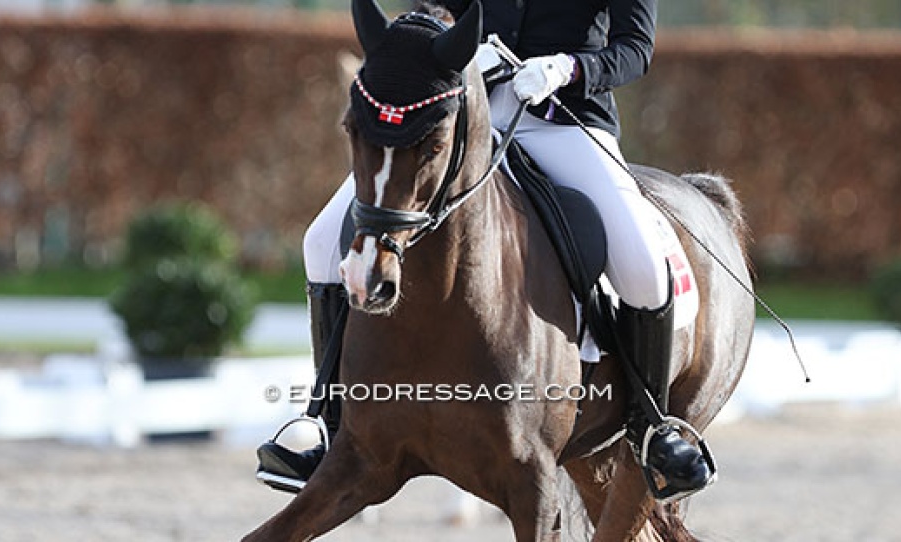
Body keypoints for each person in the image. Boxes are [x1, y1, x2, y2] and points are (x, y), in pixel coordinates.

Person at [256, 0, 714, 501]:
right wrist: (459, 56)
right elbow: (431, 14)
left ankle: (651, 427)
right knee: (322, 241)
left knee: (644, 266)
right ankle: (326, 420)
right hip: (460, 121)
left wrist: (569, 68)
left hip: (565, 122)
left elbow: (635, 48)